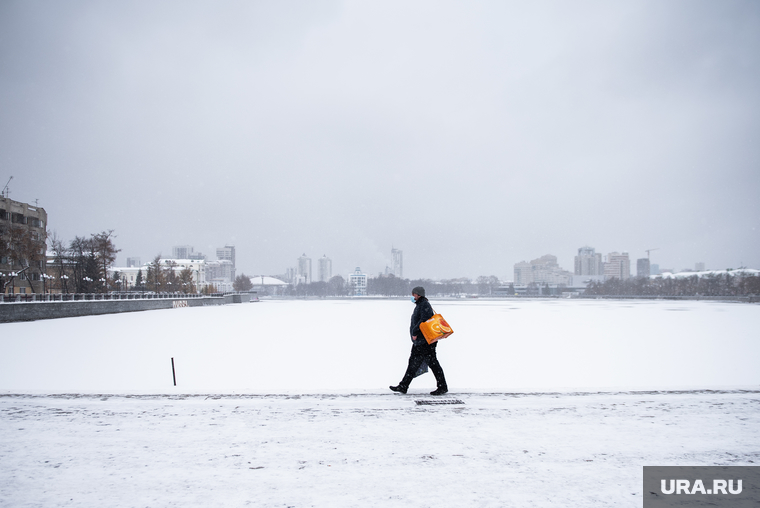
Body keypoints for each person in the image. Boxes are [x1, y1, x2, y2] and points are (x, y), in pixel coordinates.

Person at [390, 286, 448, 395]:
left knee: (432, 363)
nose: (412, 296)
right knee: (414, 363)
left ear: (418, 295)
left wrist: (415, 332)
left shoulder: (424, 305)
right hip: (422, 341)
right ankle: (403, 386)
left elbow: (423, 321)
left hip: (425, 341)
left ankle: (442, 386)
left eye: (413, 294)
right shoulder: (421, 304)